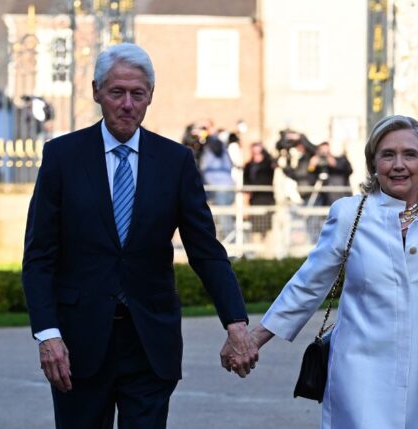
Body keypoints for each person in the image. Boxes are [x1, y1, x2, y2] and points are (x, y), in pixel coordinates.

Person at [21, 43, 257, 429]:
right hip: (78, 345)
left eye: (138, 94)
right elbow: (39, 256)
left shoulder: (175, 162)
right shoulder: (62, 157)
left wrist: (236, 323)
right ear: (97, 91)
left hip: (150, 342)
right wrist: (48, 335)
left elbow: (206, 252)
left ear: (150, 96)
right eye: (117, 93)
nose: (128, 104)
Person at [247, 115, 418, 428]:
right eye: (387, 155)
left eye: (410, 154)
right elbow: (309, 284)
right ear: (373, 163)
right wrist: (254, 339)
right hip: (361, 375)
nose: (398, 164)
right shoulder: (349, 214)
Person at [243, 142, 276, 234]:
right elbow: (246, 180)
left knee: (266, 226)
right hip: (255, 198)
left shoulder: (268, 163)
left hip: (266, 197)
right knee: (256, 226)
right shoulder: (249, 165)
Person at [308, 141, 353, 206]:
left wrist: (335, 164)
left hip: (339, 195)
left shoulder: (340, 159)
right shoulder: (316, 161)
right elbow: (310, 178)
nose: (324, 154)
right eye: (322, 151)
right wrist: (311, 166)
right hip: (323, 197)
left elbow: (349, 170)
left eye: (327, 151)